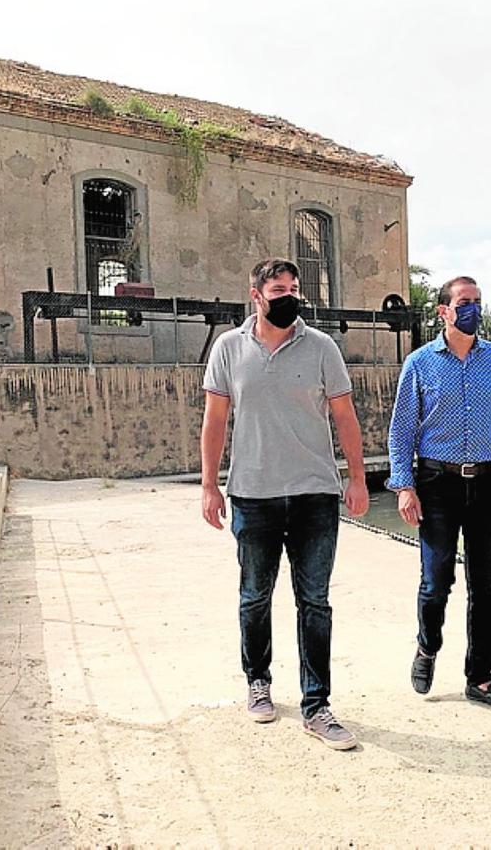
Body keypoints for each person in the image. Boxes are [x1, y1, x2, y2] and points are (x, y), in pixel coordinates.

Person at [200, 258, 370, 750]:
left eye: (294, 288)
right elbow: (214, 423)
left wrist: (356, 478)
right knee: (255, 596)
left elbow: (345, 417)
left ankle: (318, 705)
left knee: (315, 601)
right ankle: (259, 682)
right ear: (256, 294)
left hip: (315, 493)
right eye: (279, 289)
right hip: (252, 495)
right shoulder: (229, 349)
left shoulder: (321, 348)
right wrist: (210, 486)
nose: (289, 297)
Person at [386, 275, 491, 710]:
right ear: (444, 311)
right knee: (436, 581)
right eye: (465, 302)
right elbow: (401, 430)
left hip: (488, 482)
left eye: (478, 301)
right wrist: (404, 486)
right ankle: (427, 645)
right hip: (436, 483)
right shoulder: (420, 363)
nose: (474, 308)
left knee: (485, 587)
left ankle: (480, 678)